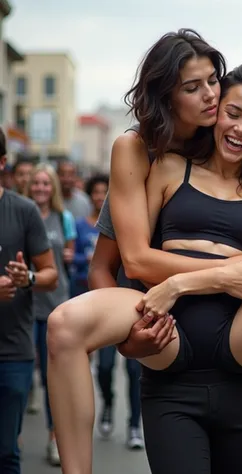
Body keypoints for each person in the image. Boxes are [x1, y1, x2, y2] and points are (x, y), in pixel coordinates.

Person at [47, 31, 242, 474]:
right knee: (63, 324)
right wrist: (128, 340)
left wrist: (193, 283)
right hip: (167, 329)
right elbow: (127, 261)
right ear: (167, 95)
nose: (212, 98)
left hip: (236, 335)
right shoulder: (152, 158)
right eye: (195, 88)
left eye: (213, 82)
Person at [0, 127, 58, 474]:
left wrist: (29, 278)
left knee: (6, 452)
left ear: (2, 162)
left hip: (12, 353)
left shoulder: (23, 211)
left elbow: (50, 274)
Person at [74, 174, 145, 449]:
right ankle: (108, 402)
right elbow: (98, 266)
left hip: (140, 304)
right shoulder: (111, 213)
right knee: (104, 367)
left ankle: (133, 426)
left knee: (134, 370)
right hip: (109, 302)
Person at [25, 164, 76, 466]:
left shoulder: (64, 218)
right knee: (19, 373)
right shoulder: (20, 213)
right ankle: (11, 437)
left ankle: (54, 438)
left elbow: (68, 258)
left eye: (46, 183)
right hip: (25, 305)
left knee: (51, 376)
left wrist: (70, 255)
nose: (41, 188)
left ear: (53, 187)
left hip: (56, 304)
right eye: (37, 183)